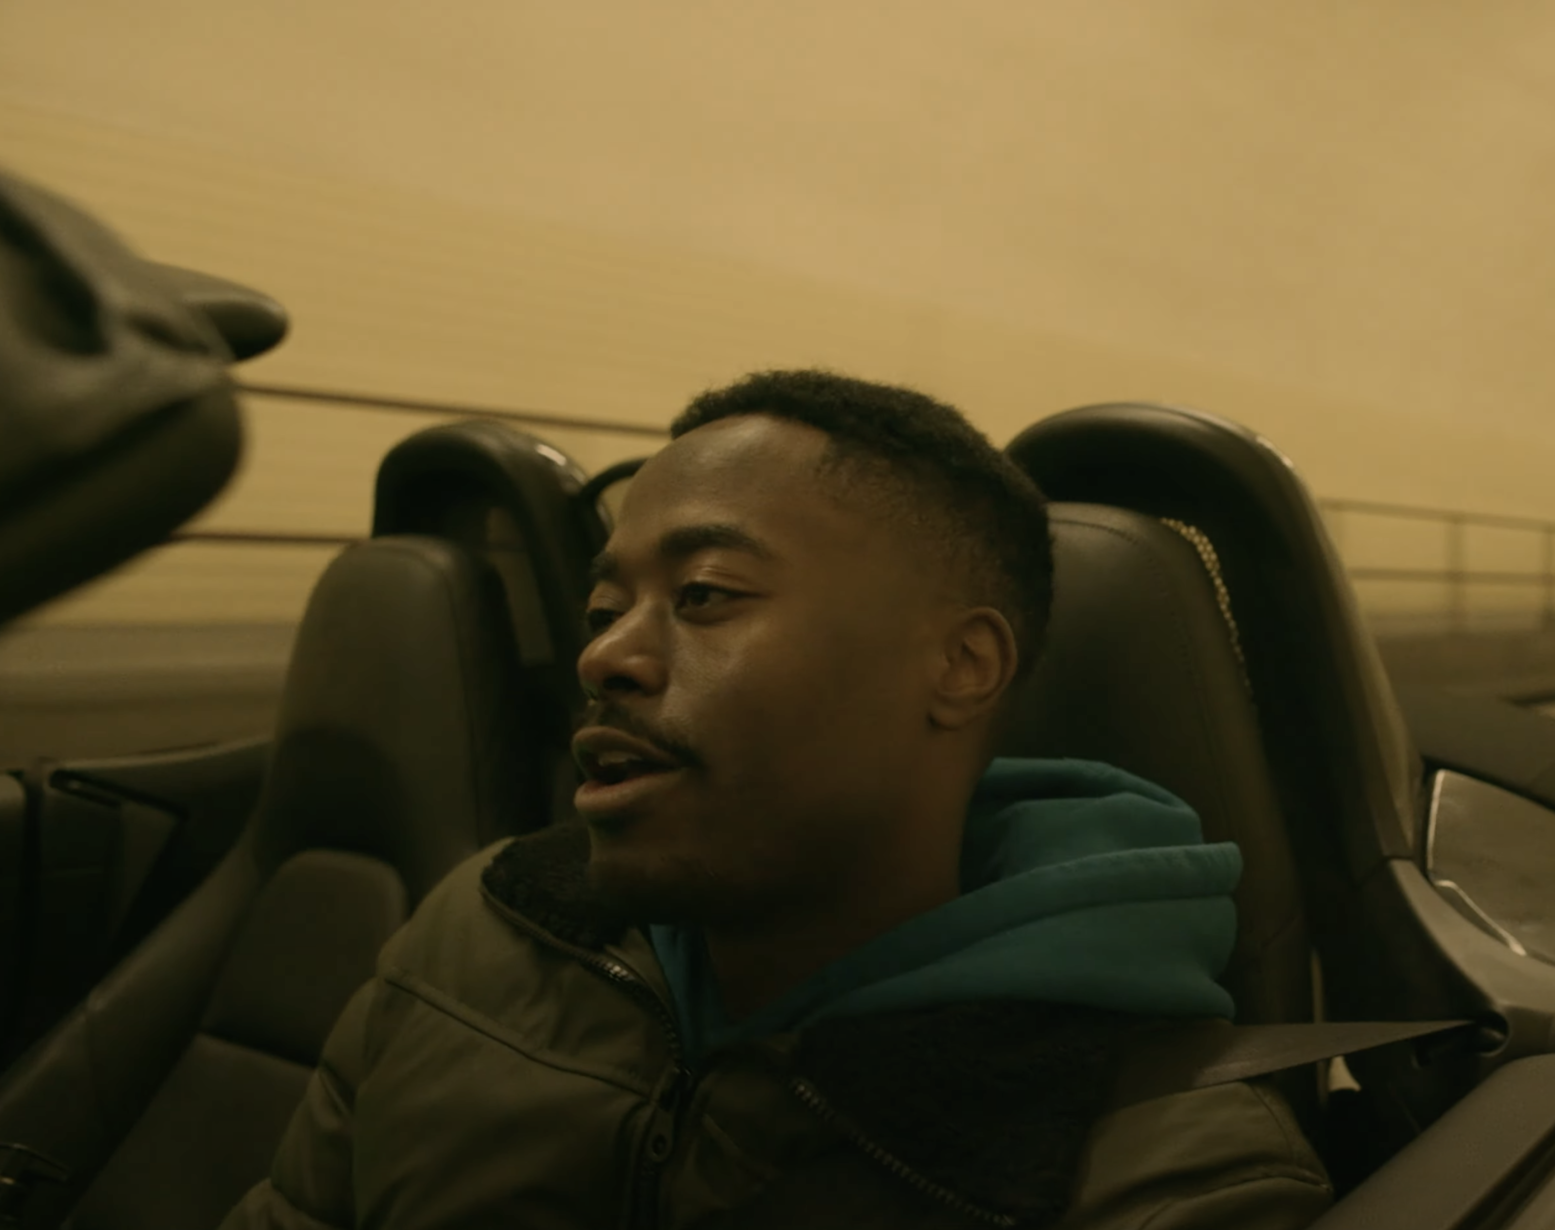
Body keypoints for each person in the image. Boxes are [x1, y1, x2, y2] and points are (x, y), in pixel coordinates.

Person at [221, 370, 1333, 1228]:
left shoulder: (1163, 1171)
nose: (605, 655)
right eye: (603, 609)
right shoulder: (479, 930)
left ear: (960, 666)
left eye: (705, 594)